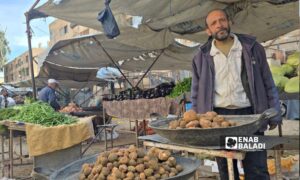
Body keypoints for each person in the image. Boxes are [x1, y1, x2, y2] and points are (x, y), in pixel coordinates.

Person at [191, 9, 282, 180]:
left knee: (256, 168)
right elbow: (195, 92)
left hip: (250, 118)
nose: (219, 25)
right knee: (227, 168)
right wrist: (197, 121)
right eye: (214, 23)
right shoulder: (201, 57)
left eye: (222, 20)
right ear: (208, 31)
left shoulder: (252, 48)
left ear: (229, 22)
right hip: (219, 120)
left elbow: (268, 82)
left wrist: (274, 112)